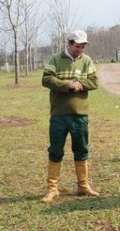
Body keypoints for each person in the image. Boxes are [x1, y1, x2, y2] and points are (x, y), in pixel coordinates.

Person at [40, 30, 99, 203]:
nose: (80, 50)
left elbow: (94, 82)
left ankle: (83, 186)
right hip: (59, 115)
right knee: (56, 151)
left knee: (81, 150)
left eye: (82, 47)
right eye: (77, 46)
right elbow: (46, 80)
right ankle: (52, 189)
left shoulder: (87, 61)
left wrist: (81, 84)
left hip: (80, 115)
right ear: (69, 43)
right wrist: (68, 85)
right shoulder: (55, 60)